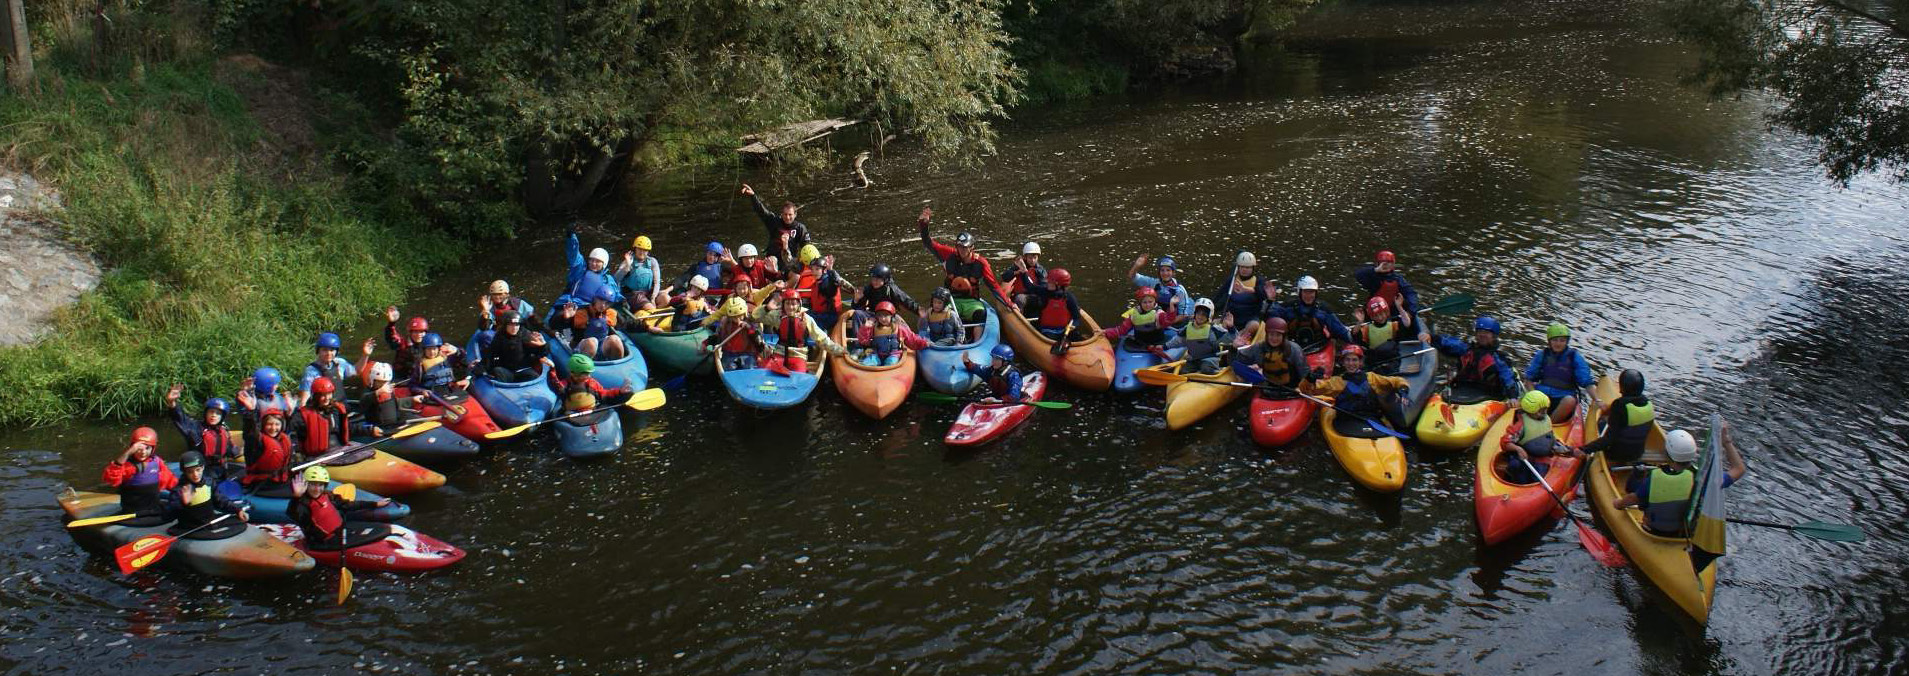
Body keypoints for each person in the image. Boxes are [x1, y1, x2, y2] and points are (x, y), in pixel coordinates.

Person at [1611, 423, 1750, 536]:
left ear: (1667, 453)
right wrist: (1726, 441)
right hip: (1684, 534)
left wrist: (1618, 504)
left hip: (1654, 532)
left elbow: (1632, 499)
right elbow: (1739, 469)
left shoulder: (1654, 478)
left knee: (1637, 477)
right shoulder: (1702, 480)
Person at [917, 207, 1010, 330]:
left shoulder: (981, 263)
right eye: (959, 246)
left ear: (972, 248)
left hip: (972, 301)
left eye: (965, 247)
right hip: (950, 300)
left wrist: (1009, 304)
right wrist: (924, 225)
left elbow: (994, 287)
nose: (961, 250)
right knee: (938, 316)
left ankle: (977, 343)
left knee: (980, 315)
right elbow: (928, 243)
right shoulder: (949, 255)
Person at [1301, 344, 1412, 431]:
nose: (1351, 363)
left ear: (1360, 362)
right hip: (1346, 421)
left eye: (1354, 360)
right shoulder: (1337, 382)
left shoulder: (1371, 378)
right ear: (1343, 363)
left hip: (1371, 417)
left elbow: (1397, 380)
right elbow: (1307, 390)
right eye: (1347, 360)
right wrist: (1310, 378)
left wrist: (1403, 390)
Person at [286, 466, 394, 552]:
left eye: (321, 485)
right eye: (313, 485)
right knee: (373, 537)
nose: (317, 489)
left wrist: (374, 504)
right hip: (323, 542)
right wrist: (296, 497)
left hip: (340, 531)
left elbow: (348, 505)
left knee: (380, 530)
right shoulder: (302, 504)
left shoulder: (328, 496)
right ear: (306, 485)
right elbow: (294, 514)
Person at [751, 289, 847, 373]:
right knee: (766, 371)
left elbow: (821, 338)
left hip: (798, 355)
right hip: (779, 353)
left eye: (793, 304)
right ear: (783, 304)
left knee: (799, 375)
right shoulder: (777, 316)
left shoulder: (806, 319)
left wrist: (838, 350)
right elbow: (754, 317)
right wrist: (767, 308)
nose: (790, 307)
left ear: (799, 305)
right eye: (787, 304)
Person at [1428, 316, 1518, 399]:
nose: (1482, 335)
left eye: (1486, 333)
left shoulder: (1499, 358)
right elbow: (1449, 343)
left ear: (1494, 336)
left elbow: (1507, 377)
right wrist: (1431, 338)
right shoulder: (1466, 349)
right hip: (1460, 391)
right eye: (1480, 332)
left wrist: (1512, 396)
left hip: (1487, 397)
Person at [1501, 390, 1581, 483]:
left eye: (1545, 410)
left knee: (1538, 477)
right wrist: (1518, 449)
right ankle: (1515, 480)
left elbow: (1551, 442)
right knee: (1517, 469)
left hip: (1541, 458)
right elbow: (1505, 442)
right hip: (1525, 459)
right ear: (1530, 410)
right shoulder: (1520, 425)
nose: (1544, 413)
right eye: (1540, 411)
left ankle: (1533, 485)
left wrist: (1569, 451)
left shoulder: (1546, 420)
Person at [164, 384, 239, 482]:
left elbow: (228, 449)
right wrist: (172, 403)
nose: (213, 415)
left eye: (217, 413)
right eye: (211, 412)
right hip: (201, 471)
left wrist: (235, 452)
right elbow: (180, 419)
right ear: (206, 413)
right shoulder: (195, 428)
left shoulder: (223, 430)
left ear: (222, 417)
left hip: (220, 468)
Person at [1524, 322, 1595, 424]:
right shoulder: (1542, 355)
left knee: (1570, 401)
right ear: (1549, 341)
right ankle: (1531, 421)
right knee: (1529, 396)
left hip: (1563, 398)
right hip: (1542, 396)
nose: (1558, 343)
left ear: (1566, 342)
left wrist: (1597, 400)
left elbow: (1587, 382)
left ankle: (1548, 425)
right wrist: (1532, 394)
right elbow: (1528, 379)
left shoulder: (1574, 357)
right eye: (1555, 340)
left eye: (1562, 340)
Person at [1582, 368, 1656, 464]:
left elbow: (1608, 440)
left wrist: (1584, 449)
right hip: (1637, 453)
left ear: (1622, 387)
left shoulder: (1620, 405)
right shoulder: (1648, 404)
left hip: (1616, 454)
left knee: (1602, 422)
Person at [101, 427, 177, 520]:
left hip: (154, 509)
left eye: (147, 448)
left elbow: (171, 482)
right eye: (139, 448)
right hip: (133, 513)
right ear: (132, 448)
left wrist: (183, 491)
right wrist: (126, 454)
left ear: (153, 449)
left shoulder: (157, 462)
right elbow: (111, 479)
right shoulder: (127, 465)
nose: (143, 452)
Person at [166, 451, 249, 532]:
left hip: (210, 522)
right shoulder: (180, 490)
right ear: (185, 472)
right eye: (190, 472)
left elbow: (221, 501)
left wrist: (238, 510)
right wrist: (182, 503)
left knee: (239, 521)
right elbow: (168, 516)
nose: (195, 474)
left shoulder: (209, 482)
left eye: (198, 470)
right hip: (191, 527)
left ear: (203, 468)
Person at [741, 184, 814, 269]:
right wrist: (753, 196)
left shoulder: (800, 228)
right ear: (782, 214)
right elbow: (761, 211)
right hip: (772, 259)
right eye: (785, 214)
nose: (787, 217)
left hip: (789, 260)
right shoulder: (774, 221)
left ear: (795, 215)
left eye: (790, 215)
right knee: (772, 261)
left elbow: (807, 248)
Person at [1269, 275, 1352, 349]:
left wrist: (1353, 338)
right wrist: (1270, 301)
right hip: (1292, 347)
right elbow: (1270, 320)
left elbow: (1340, 330)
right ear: (1300, 292)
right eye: (1305, 292)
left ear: (1316, 293)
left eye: (1311, 292)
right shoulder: (1287, 307)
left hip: (1318, 347)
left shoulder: (1323, 310)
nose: (1308, 296)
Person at [1231, 316, 1309, 393]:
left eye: (1278, 335)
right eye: (1271, 335)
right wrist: (1233, 348)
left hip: (1293, 391)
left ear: (1283, 336)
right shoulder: (1259, 348)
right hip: (1268, 391)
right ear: (1267, 335)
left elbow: (1305, 373)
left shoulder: (1294, 349)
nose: (1274, 338)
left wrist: (1303, 388)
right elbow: (1236, 362)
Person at [1353, 249, 1423, 330]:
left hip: (1393, 312)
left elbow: (1411, 294)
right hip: (1375, 312)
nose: (1385, 265)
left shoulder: (1398, 279)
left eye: (1388, 262)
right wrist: (1376, 270)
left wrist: (1411, 311)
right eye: (1382, 262)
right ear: (1378, 264)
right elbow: (1358, 274)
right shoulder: (1372, 277)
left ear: (1393, 264)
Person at [356, 361, 428, 439]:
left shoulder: (388, 390)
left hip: (394, 423)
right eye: (380, 382)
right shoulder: (369, 393)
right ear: (373, 380)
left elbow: (394, 404)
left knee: (417, 419)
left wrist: (412, 399)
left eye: (386, 382)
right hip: (381, 427)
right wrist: (378, 392)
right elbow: (363, 403)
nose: (383, 385)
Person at [1103, 287, 1178, 359]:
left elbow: (1168, 320)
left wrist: (1172, 305)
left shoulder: (1159, 314)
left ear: (1154, 301)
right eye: (1144, 302)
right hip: (1139, 343)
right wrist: (1105, 332)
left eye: (1150, 302)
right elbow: (1121, 330)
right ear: (1140, 303)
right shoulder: (1134, 315)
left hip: (1157, 342)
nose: (1148, 305)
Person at [236, 404, 296, 492]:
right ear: (263, 425)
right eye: (269, 424)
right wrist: (250, 412)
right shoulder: (257, 441)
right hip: (261, 483)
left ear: (282, 425)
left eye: (277, 424)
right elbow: (249, 432)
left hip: (280, 480)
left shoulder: (284, 439)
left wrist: (289, 414)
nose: (273, 428)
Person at [789, 244, 850, 332]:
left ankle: (809, 340)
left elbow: (834, 286)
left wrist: (831, 270)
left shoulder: (829, 280)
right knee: (797, 315)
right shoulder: (817, 282)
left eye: (817, 269)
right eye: (813, 269)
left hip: (829, 316)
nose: (814, 272)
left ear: (824, 270)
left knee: (804, 320)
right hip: (819, 313)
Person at [288, 377, 353, 457]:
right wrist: (297, 453)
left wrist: (370, 430)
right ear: (315, 396)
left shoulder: (336, 410)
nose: (327, 398)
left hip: (339, 452)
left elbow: (349, 427)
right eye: (323, 395)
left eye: (329, 394)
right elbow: (290, 433)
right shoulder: (302, 415)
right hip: (316, 457)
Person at [477, 312, 550, 382]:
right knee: (497, 371)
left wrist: (543, 346)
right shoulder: (499, 338)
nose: (514, 328)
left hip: (523, 370)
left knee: (533, 375)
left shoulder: (525, 335)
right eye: (511, 324)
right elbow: (489, 357)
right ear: (505, 325)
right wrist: (472, 375)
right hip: (506, 372)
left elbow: (541, 353)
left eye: (516, 324)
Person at [1023, 268, 1090, 342]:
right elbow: (1030, 287)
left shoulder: (1069, 297)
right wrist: (1024, 272)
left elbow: (1076, 318)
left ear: (1059, 285)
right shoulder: (1044, 291)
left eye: (1050, 282)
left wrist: (1073, 325)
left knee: (1078, 337)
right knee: (1050, 336)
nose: (1047, 283)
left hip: (1064, 331)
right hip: (1047, 331)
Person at [1351, 296, 1421, 367]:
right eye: (1376, 315)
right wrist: (1359, 322)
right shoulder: (1367, 329)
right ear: (1371, 317)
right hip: (1375, 360)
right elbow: (1355, 333)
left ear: (1386, 312)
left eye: (1381, 314)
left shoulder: (1393, 325)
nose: (1380, 318)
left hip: (1391, 358)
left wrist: (1399, 307)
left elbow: (1407, 323)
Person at [1216, 252, 1275, 336]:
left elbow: (1265, 293)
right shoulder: (1232, 280)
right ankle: (1227, 337)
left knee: (1254, 326)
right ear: (1238, 267)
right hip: (1232, 317)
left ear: (1253, 268)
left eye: (1247, 267)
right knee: (1215, 323)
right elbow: (1219, 296)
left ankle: (1237, 337)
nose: (1244, 270)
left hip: (1250, 318)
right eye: (1242, 267)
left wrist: (1246, 289)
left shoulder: (1259, 280)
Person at [854, 301, 930, 366]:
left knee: (891, 362)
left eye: (886, 315)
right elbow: (864, 341)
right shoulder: (873, 328)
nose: (883, 318)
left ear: (892, 316)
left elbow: (912, 339)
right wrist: (865, 328)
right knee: (867, 363)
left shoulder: (899, 328)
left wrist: (924, 343)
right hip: (876, 354)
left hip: (893, 355)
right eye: (880, 315)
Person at [563, 223, 620, 303]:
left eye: (597, 261)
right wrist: (571, 236)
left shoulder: (608, 280)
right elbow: (573, 253)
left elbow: (615, 294)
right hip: (572, 303)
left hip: (592, 308)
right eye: (591, 260)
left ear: (604, 264)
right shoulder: (580, 269)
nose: (593, 263)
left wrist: (622, 300)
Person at [546, 353, 634, 404]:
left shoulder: (592, 383)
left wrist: (619, 392)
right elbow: (556, 384)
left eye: (589, 373)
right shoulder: (565, 385)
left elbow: (603, 393)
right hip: (572, 413)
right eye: (585, 374)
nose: (588, 376)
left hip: (592, 410)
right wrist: (552, 369)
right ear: (573, 373)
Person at [703, 297, 762, 371]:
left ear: (745, 313)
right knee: (727, 366)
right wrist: (706, 343)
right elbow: (718, 337)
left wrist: (749, 328)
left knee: (749, 366)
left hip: (747, 353)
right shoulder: (725, 324)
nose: (737, 320)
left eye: (739, 316)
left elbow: (758, 339)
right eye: (734, 317)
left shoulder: (751, 323)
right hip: (730, 354)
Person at [851, 263, 920, 326]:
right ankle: (859, 338)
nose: (874, 282)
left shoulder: (892, 290)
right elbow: (857, 307)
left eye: (877, 280)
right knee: (857, 313)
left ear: (885, 280)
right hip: (873, 314)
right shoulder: (869, 288)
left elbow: (907, 302)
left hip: (888, 316)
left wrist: (920, 311)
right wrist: (856, 300)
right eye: (873, 279)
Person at [1129, 254, 1195, 319]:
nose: (1165, 273)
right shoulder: (1154, 283)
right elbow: (1132, 277)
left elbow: (1183, 315)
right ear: (1159, 272)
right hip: (1157, 314)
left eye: (1168, 270)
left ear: (1173, 272)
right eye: (1162, 270)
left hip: (1171, 318)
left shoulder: (1179, 290)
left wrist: (1164, 324)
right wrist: (1136, 266)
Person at [571, 287, 629, 360]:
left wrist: (642, 325)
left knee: (615, 339)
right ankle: (584, 366)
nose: (603, 305)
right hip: (583, 347)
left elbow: (626, 323)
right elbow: (567, 326)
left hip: (602, 346)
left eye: (607, 303)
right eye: (601, 300)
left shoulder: (611, 313)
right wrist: (566, 318)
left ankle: (616, 365)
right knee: (591, 342)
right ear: (594, 299)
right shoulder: (582, 313)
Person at [1181, 298, 1236, 374]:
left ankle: (1218, 371)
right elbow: (1177, 340)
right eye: (1198, 313)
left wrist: (1231, 328)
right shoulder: (1188, 327)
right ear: (1195, 313)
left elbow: (1232, 339)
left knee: (1205, 369)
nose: (1200, 317)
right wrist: (1165, 347)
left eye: (1203, 315)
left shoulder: (1215, 330)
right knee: (1184, 371)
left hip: (1209, 359)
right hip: (1194, 359)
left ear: (1209, 316)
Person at [961, 344, 1026, 404]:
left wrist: (995, 401)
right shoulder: (992, 370)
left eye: (997, 359)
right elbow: (979, 369)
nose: (993, 361)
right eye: (993, 358)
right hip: (997, 398)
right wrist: (967, 363)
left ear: (1005, 362)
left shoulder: (1014, 375)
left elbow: (1014, 397)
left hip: (1009, 401)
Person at [381, 308, 436, 378]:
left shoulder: (430, 345)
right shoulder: (402, 343)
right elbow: (391, 337)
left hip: (419, 378)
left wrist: (453, 350)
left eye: (421, 332)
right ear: (410, 333)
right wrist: (391, 324)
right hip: (400, 378)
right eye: (415, 332)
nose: (419, 334)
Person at [663, 241, 728, 299]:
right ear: (706, 253)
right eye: (710, 253)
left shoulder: (722, 267)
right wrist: (667, 290)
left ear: (719, 257)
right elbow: (682, 279)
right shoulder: (696, 266)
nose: (712, 257)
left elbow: (737, 272)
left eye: (715, 255)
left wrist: (730, 261)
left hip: (714, 297)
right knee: (676, 288)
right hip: (696, 295)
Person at [614, 235, 664, 301]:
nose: (642, 252)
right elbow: (616, 279)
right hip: (632, 295)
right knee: (649, 306)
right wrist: (628, 265)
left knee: (665, 298)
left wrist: (653, 297)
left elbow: (657, 283)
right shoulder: (628, 261)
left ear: (648, 251)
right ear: (635, 249)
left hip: (647, 293)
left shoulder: (652, 262)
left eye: (645, 250)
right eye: (640, 249)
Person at [1008, 242, 1047, 312]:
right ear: (1025, 257)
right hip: (1019, 295)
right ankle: (1019, 316)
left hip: (1034, 295)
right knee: (1020, 299)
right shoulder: (1017, 266)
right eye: (1030, 258)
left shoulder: (1040, 270)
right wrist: (1015, 272)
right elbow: (1005, 277)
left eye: (1035, 258)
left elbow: (1043, 286)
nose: (1033, 260)